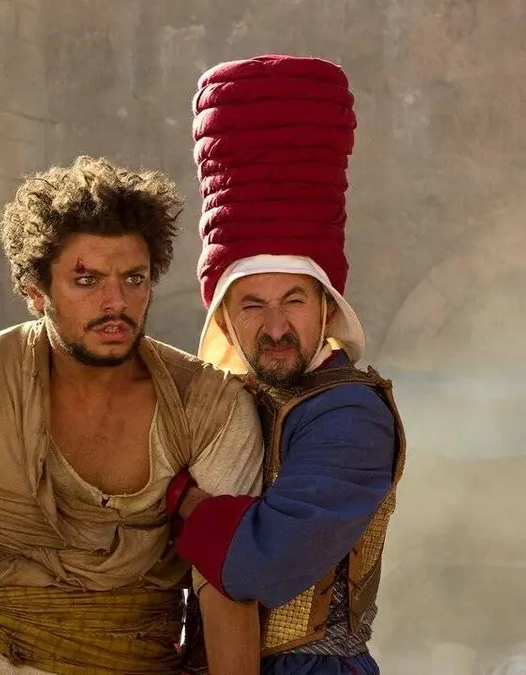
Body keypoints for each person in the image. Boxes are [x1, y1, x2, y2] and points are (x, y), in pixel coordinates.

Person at [0, 155, 265, 675]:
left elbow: (226, 578)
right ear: (36, 292)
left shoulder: (208, 404)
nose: (116, 302)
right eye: (87, 281)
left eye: (134, 278)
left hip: (140, 659)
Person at [167, 55, 404, 675]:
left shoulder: (349, 413)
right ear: (224, 319)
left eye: (294, 300)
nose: (275, 327)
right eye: (252, 304)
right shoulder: (223, 399)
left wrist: (181, 502)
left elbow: (259, 564)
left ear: (326, 308)